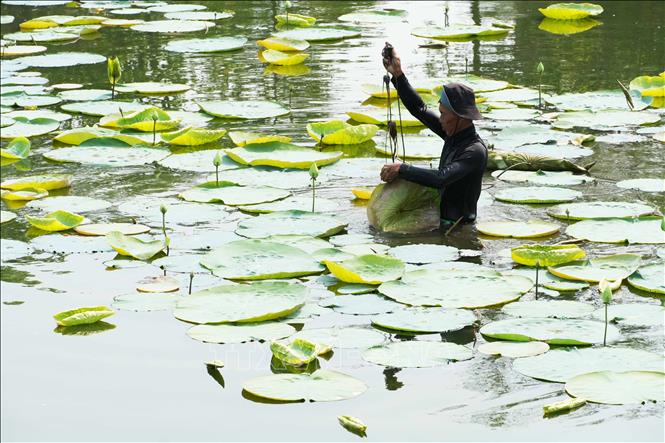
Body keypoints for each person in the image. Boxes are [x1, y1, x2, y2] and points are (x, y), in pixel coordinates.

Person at [380, 46, 488, 228]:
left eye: (444, 114)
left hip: (459, 229)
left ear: (460, 118)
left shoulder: (474, 151)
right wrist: (398, 74)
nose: (441, 120)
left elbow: (441, 178)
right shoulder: (452, 133)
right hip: (439, 222)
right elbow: (419, 109)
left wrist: (401, 168)